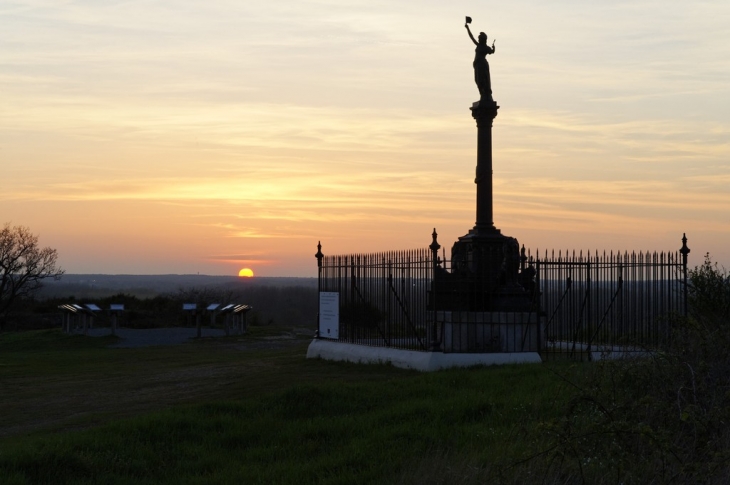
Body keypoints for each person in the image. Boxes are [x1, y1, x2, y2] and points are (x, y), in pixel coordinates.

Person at [465, 23, 495, 102]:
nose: (478, 40)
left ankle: (485, 95)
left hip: (482, 65)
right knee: (477, 80)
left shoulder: (485, 47)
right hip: (477, 65)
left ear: (483, 39)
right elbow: (471, 37)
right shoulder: (479, 45)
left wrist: (493, 47)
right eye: (478, 38)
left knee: (483, 80)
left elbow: (492, 51)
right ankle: (482, 95)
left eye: (480, 38)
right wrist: (467, 28)